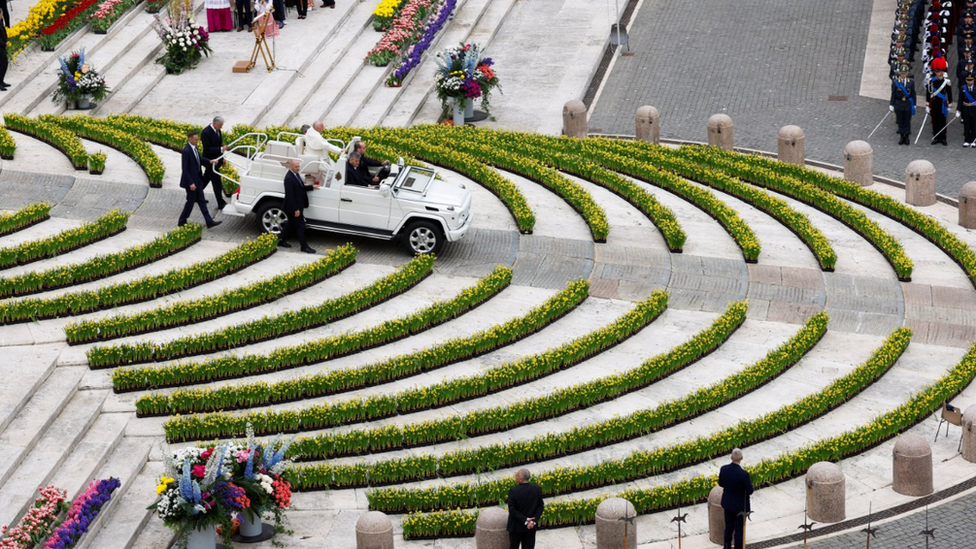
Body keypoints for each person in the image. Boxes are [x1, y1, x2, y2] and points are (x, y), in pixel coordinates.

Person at [178, 130, 222, 229]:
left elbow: (199, 159)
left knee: (202, 201)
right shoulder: (186, 151)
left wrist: (210, 161)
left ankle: (209, 221)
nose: (197, 141)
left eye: (198, 139)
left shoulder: (194, 148)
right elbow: (185, 169)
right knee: (190, 202)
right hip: (192, 182)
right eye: (195, 139)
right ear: (190, 139)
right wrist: (190, 183)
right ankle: (182, 221)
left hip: (198, 179)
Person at [718, 448, 753, 549]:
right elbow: (750, 490)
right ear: (741, 458)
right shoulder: (743, 474)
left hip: (728, 503)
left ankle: (726, 547)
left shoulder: (723, 469)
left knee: (728, 528)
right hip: (740, 507)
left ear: (731, 457)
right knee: (739, 530)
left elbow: (721, 483)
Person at [279, 158, 316, 253]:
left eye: (299, 166)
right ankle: (304, 246)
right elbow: (290, 196)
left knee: (290, 223)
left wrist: (312, 187)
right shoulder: (289, 178)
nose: (298, 168)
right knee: (301, 226)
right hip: (293, 207)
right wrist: (295, 209)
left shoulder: (295, 174)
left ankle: (279, 239)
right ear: (291, 166)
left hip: (298, 205)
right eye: (296, 166)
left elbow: (301, 187)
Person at [505, 469, 544, 549]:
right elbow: (540, 507)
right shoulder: (537, 489)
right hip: (531, 527)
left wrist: (525, 520)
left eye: (516, 475)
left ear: (521, 479)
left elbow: (512, 510)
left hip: (516, 527)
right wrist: (533, 521)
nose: (515, 477)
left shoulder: (513, 491)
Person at [201, 116, 229, 210]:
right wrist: (221, 149)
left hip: (217, 160)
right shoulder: (206, 132)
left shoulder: (217, 131)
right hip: (210, 161)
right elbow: (207, 149)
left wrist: (222, 158)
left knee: (206, 179)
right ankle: (220, 203)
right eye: (220, 126)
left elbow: (218, 144)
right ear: (215, 124)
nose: (221, 128)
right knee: (216, 181)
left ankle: (195, 195)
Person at [927, 57, 954, 144]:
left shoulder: (946, 82)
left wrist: (950, 104)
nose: (939, 73)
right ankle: (936, 136)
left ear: (942, 72)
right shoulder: (931, 81)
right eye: (937, 71)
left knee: (943, 121)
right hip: (934, 104)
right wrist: (927, 105)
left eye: (940, 71)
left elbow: (949, 94)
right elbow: (928, 94)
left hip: (942, 104)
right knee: (935, 120)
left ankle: (943, 137)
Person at [891, 64, 916, 145]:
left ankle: (907, 136)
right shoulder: (895, 83)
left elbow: (913, 94)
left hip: (908, 104)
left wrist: (914, 104)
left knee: (907, 121)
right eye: (902, 73)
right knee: (900, 120)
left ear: (907, 74)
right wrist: (891, 104)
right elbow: (893, 94)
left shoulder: (911, 82)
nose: (903, 75)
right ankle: (902, 136)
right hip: (899, 103)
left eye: (904, 73)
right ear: (899, 74)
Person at [960, 72, 976, 145]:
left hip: (974, 108)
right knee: (966, 125)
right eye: (968, 80)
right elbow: (960, 99)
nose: (970, 82)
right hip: (965, 108)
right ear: (966, 80)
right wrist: (958, 110)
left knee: (974, 125)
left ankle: (973, 140)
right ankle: (966, 140)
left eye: (971, 80)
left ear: (973, 80)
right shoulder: (963, 88)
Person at [0, 12, 8, 91]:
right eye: (1, 14)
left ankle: (1, 81)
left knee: (4, 64)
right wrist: (4, 44)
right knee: (3, 64)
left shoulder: (0, 22)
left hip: (2, 47)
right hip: (0, 48)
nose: (2, 15)